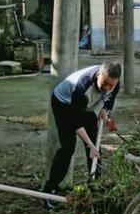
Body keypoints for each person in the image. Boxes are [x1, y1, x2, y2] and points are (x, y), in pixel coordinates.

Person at [42, 61, 120, 201]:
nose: (107, 88)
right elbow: (76, 124)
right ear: (98, 76)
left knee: (96, 149)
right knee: (68, 148)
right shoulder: (82, 86)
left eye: (111, 85)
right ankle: (49, 190)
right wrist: (90, 145)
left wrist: (105, 112)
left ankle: (95, 186)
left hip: (86, 107)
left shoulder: (114, 83)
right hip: (64, 105)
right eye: (104, 83)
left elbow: (108, 101)